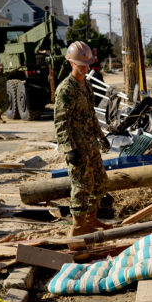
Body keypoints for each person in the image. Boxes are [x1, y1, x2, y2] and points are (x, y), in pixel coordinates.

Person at [54, 41, 111, 236]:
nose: (85, 68)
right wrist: (68, 149)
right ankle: (78, 227)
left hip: (91, 144)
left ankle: (91, 220)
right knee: (80, 187)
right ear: (71, 62)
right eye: (81, 65)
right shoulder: (65, 89)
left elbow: (91, 114)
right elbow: (60, 122)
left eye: (87, 65)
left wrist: (101, 137)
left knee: (99, 182)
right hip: (77, 147)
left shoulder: (86, 84)